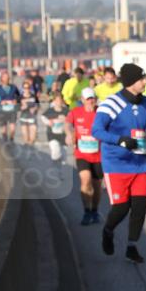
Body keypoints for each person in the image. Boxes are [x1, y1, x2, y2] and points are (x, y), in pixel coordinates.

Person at [91, 63, 146, 264]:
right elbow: (96, 131)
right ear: (131, 82)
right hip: (116, 164)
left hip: (139, 163)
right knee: (122, 208)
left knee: (140, 207)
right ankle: (108, 230)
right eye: (142, 79)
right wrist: (120, 140)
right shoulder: (111, 103)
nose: (145, 81)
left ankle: (132, 247)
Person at [67, 87, 104, 225]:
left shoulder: (101, 113)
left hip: (99, 155)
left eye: (92, 98)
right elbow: (68, 124)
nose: (90, 101)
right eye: (88, 99)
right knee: (85, 180)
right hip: (82, 154)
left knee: (96, 185)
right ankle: (86, 211)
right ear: (82, 100)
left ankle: (94, 210)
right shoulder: (76, 112)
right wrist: (69, 134)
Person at [42, 92, 69, 166]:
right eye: (56, 101)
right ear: (54, 101)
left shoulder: (66, 110)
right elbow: (43, 117)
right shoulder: (50, 110)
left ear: (62, 101)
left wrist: (66, 120)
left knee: (64, 155)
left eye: (60, 100)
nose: (58, 102)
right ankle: (54, 165)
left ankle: (61, 170)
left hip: (63, 135)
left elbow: (71, 120)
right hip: (52, 134)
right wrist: (48, 122)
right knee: (55, 151)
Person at [0, 71, 21, 142]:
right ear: (1, 78)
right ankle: (5, 141)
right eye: (4, 77)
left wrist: (16, 100)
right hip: (2, 110)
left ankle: (11, 140)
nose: (6, 78)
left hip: (12, 110)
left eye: (7, 77)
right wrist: (0, 102)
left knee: (12, 129)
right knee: (4, 129)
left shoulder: (13, 87)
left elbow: (19, 96)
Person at [18, 80, 40, 145]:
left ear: (30, 88)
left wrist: (35, 108)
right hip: (23, 117)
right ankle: (27, 152)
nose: (26, 89)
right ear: (23, 88)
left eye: (28, 88)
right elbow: (17, 108)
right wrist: (22, 107)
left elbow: (38, 105)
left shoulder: (34, 96)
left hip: (32, 117)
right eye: (25, 88)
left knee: (32, 138)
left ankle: (31, 149)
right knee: (26, 138)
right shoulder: (20, 97)